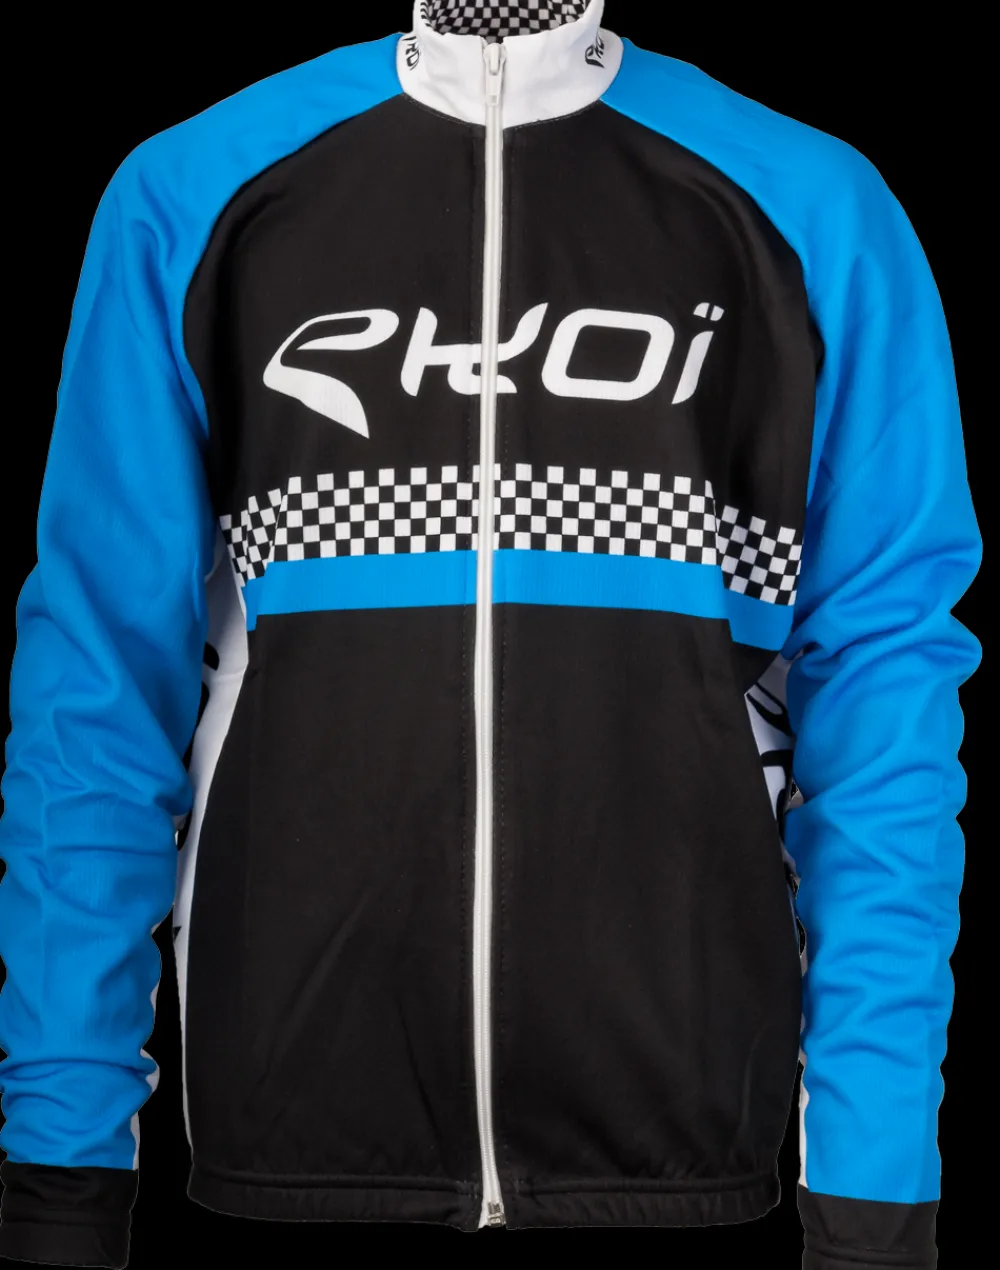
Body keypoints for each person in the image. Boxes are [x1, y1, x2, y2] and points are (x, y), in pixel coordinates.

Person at [0, 3, 982, 1267]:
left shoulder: (808, 206)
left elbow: (889, 703)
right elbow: (94, 690)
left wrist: (873, 1186)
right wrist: (62, 1172)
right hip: (282, 1138)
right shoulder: (196, 191)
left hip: (692, 1143)